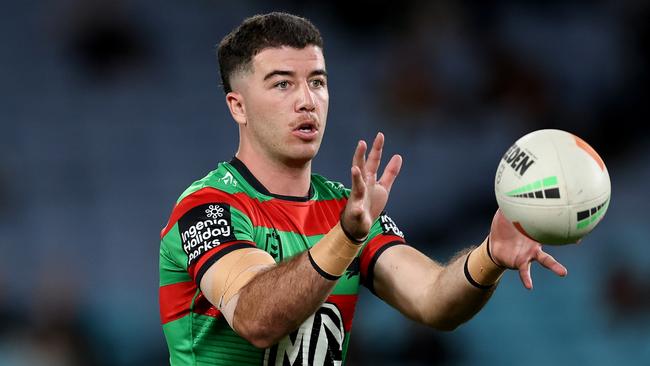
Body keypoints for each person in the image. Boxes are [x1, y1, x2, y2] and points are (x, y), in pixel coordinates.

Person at [158, 12, 568, 365]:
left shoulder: (345, 207)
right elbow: (255, 318)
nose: (307, 101)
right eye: (282, 84)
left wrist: (490, 255)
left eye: (317, 82)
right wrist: (346, 236)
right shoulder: (208, 207)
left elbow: (432, 300)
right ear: (238, 106)